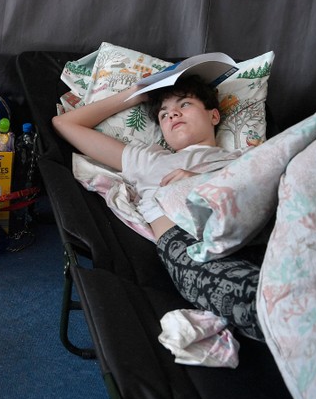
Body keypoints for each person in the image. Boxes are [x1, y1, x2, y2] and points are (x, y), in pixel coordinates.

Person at [52, 75, 264, 340]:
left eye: (184, 104)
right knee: (262, 299)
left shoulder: (246, 159)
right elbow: (64, 124)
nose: (172, 114)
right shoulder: (149, 159)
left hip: (251, 233)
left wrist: (204, 182)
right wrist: (136, 94)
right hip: (190, 243)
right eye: (164, 115)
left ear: (214, 117)